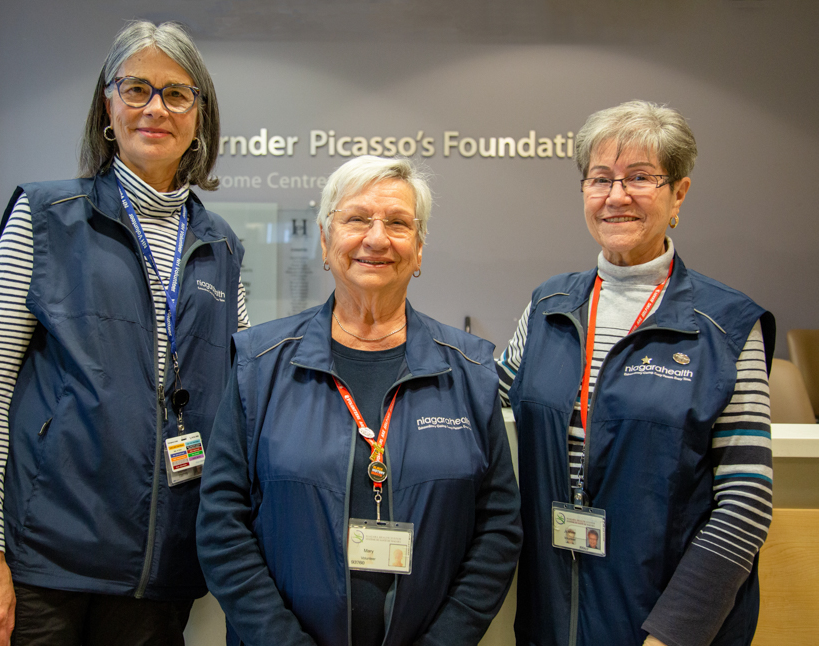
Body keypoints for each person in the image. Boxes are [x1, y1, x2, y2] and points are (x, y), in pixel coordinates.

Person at [0, 20, 247, 646]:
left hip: (164, 569)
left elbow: (241, 399)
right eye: (135, 88)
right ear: (107, 106)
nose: (155, 108)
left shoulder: (223, 247)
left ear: (200, 114)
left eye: (176, 93)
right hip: (45, 566)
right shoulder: (45, 215)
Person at [197, 155, 522, 646]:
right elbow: (222, 522)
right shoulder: (259, 363)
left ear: (418, 250)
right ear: (326, 243)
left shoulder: (470, 368)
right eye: (356, 219)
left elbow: (498, 528)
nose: (376, 238)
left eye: (397, 223)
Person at [497, 101, 774, 646]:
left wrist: (674, 634)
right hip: (550, 618)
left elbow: (746, 499)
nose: (616, 196)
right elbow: (492, 418)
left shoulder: (726, 326)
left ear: (679, 194)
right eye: (600, 179)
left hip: (664, 626)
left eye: (640, 178)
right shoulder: (547, 307)